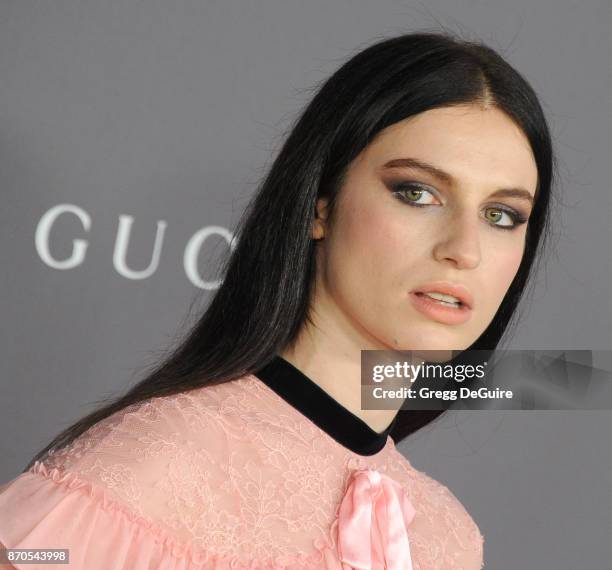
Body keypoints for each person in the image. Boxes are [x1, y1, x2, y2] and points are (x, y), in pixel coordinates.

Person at [0, 30, 555, 569]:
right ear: (320, 205)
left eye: (502, 215)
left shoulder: (446, 538)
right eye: (417, 193)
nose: (464, 250)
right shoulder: (157, 464)